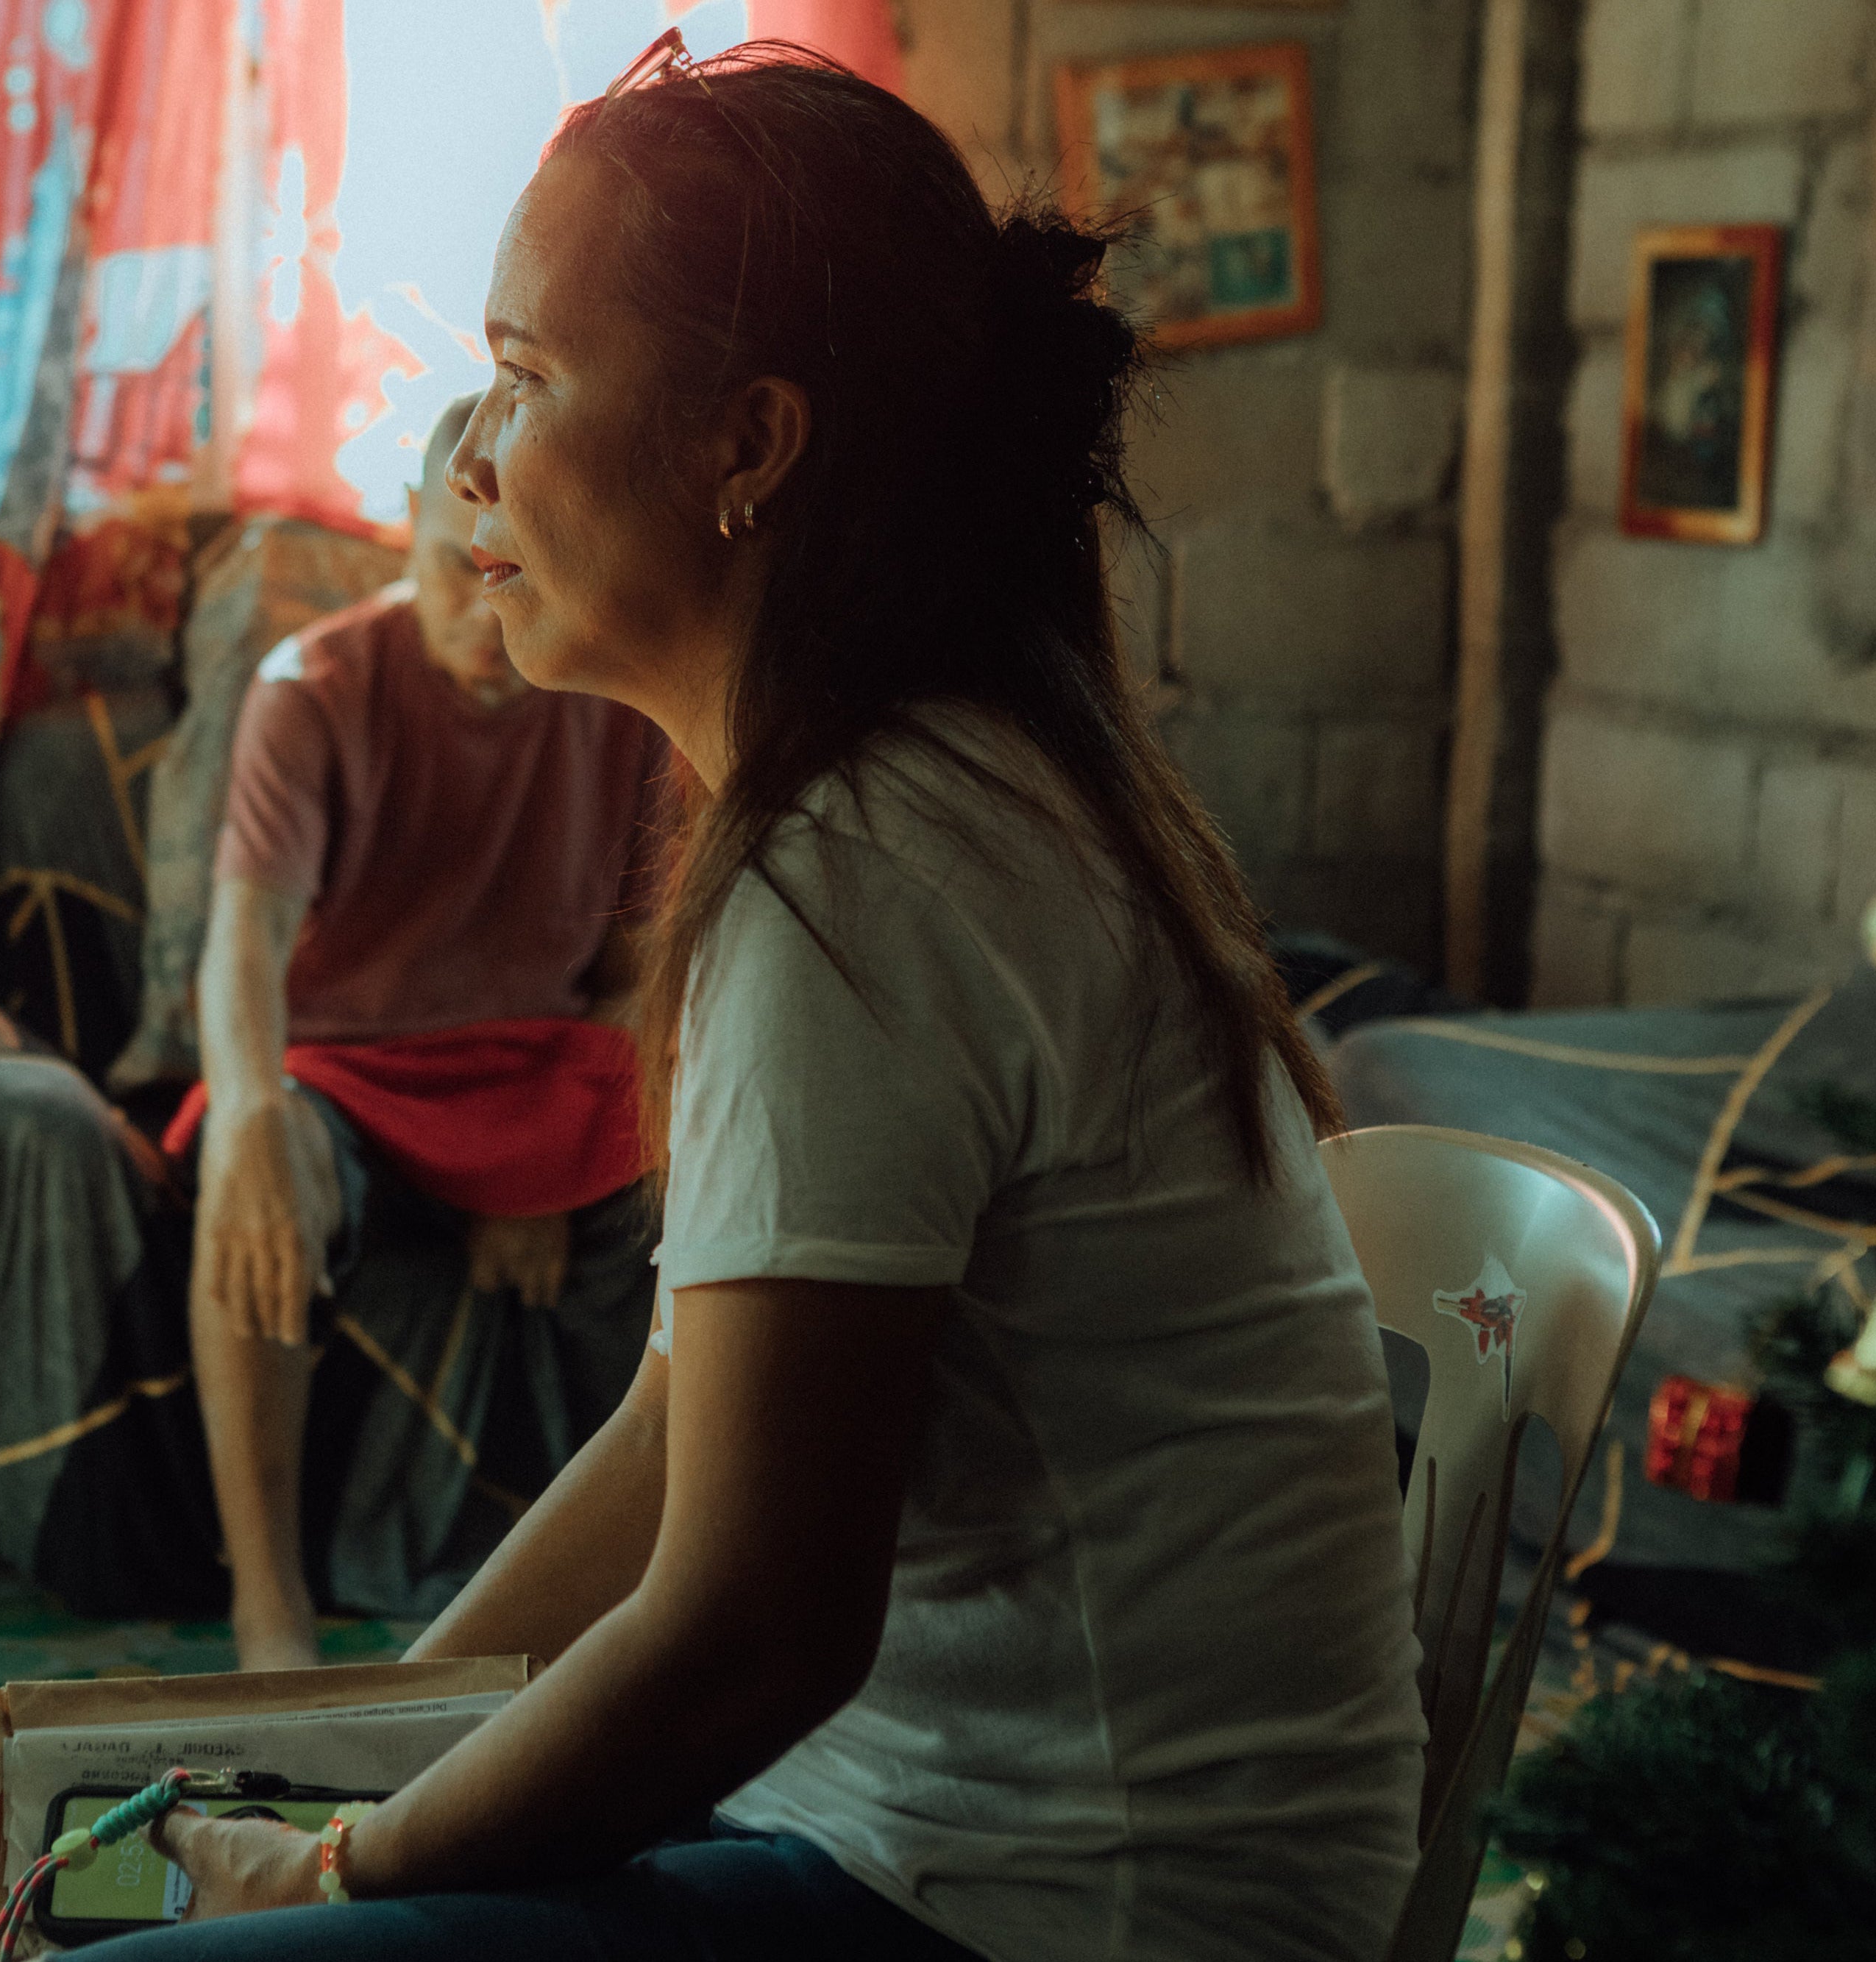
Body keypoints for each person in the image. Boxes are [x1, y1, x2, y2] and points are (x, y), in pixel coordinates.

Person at [87, 40, 1424, 1962]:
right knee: (155, 1872)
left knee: (122, 1940)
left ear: (748, 447)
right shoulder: (905, 794)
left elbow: (755, 1633)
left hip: (1055, 1917)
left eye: (532, 380)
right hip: (932, 1849)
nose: (473, 454)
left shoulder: (859, 877)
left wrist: (335, 1863)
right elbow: (669, 1442)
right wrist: (333, 1753)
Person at [170, 394, 664, 1674]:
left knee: (687, 1166)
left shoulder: (616, 702)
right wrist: (251, 1117)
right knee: (259, 1182)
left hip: (533, 1069)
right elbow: (245, 950)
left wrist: (552, 1160)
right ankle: (267, 1603)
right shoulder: (314, 690)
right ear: (405, 532)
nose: (486, 617)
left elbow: (628, 983)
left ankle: (641, 1586)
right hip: (340, 1065)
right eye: (459, 570)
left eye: (518, 578)